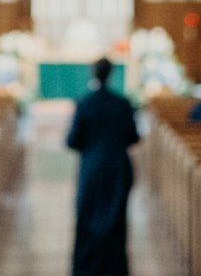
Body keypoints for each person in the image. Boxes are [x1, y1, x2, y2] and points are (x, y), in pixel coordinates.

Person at [66, 57, 139, 276]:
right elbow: (133, 136)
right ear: (111, 74)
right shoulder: (123, 103)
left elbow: (72, 140)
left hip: (92, 168)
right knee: (116, 216)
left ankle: (87, 267)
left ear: (93, 74)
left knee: (88, 216)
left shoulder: (84, 103)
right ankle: (115, 267)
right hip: (118, 167)